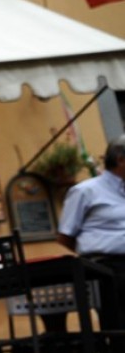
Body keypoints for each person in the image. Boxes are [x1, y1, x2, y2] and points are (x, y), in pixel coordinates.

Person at [57, 136, 125, 328]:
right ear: (121, 160)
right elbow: (65, 236)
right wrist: (94, 252)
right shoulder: (85, 191)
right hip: (107, 267)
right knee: (118, 326)